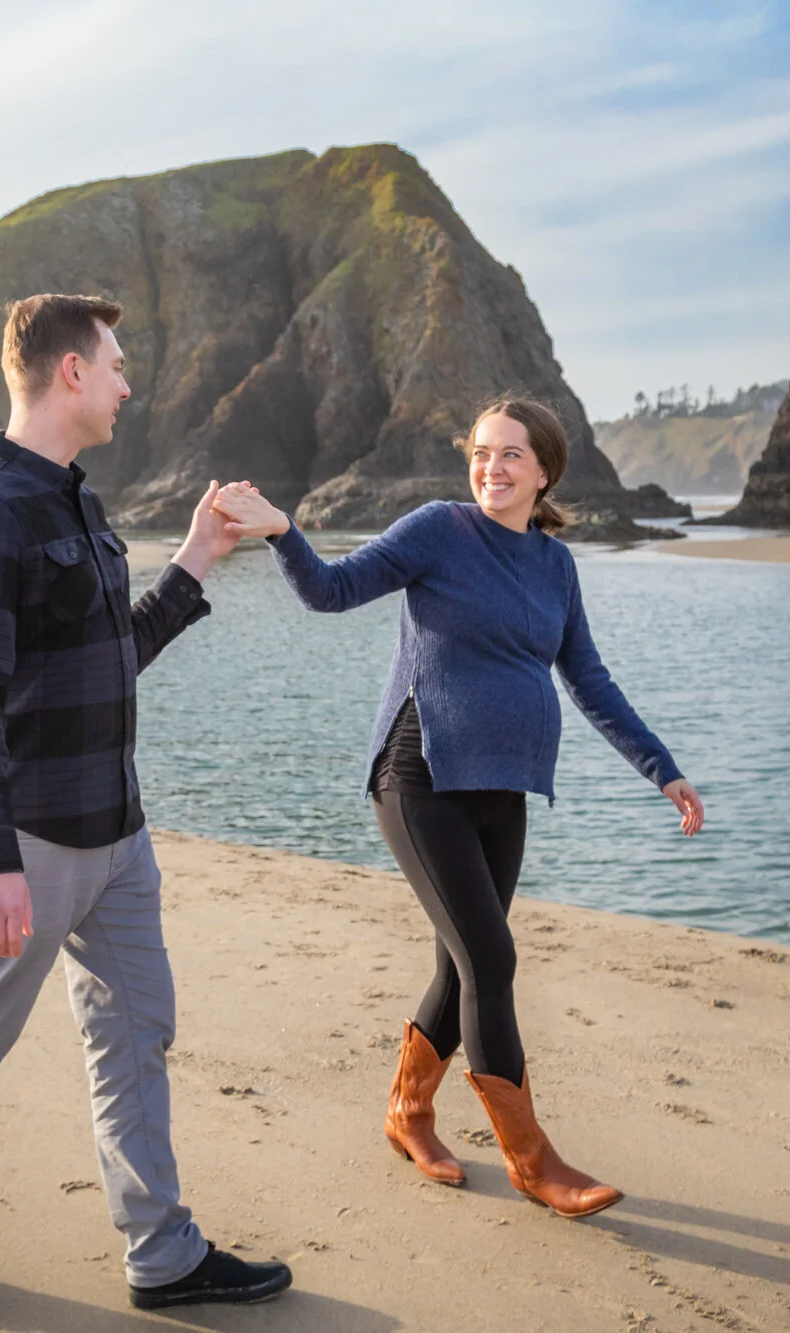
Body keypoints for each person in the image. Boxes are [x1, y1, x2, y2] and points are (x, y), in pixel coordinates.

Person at [0, 293, 293, 1312]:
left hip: (116, 835)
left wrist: (193, 561)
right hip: (27, 843)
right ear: (68, 371)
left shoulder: (77, 502)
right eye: (113, 363)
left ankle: (162, 1251)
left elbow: (115, 657)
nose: (125, 381)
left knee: (137, 1030)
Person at [211, 395, 704, 1219]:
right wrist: (278, 529)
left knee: (458, 964)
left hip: (500, 788)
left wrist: (662, 767)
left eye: (512, 454)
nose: (492, 467)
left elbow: (587, 678)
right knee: (492, 960)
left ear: (545, 470)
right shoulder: (440, 529)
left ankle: (407, 1112)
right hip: (418, 776)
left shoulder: (555, 566)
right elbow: (331, 592)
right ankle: (532, 1159)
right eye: (481, 451)